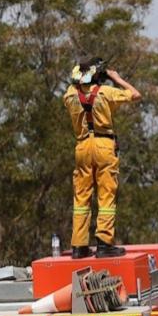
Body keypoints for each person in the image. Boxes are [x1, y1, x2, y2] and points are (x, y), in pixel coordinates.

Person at [62, 57, 142, 258]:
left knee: (81, 197)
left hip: (82, 146)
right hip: (104, 145)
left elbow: (79, 90)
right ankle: (104, 244)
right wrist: (116, 78)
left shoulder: (69, 95)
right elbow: (135, 94)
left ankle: (79, 246)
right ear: (98, 75)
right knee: (106, 194)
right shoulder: (106, 93)